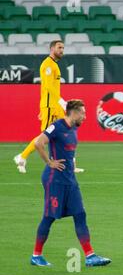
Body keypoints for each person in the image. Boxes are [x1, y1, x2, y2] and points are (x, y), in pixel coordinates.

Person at [31, 99, 110, 267]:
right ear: (73, 112)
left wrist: (72, 164)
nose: (85, 116)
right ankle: (36, 255)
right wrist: (49, 162)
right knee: (49, 216)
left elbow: (69, 151)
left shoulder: (73, 129)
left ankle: (90, 256)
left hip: (69, 179)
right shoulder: (57, 127)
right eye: (83, 113)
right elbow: (38, 143)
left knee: (80, 214)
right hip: (55, 179)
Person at [14, 40, 84, 174]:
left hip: (55, 106)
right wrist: (60, 102)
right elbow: (47, 86)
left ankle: (72, 165)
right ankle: (22, 156)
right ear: (52, 49)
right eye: (59, 47)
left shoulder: (54, 65)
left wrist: (59, 103)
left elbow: (53, 88)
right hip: (50, 106)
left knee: (68, 130)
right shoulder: (47, 64)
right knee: (45, 136)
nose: (62, 50)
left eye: (63, 47)